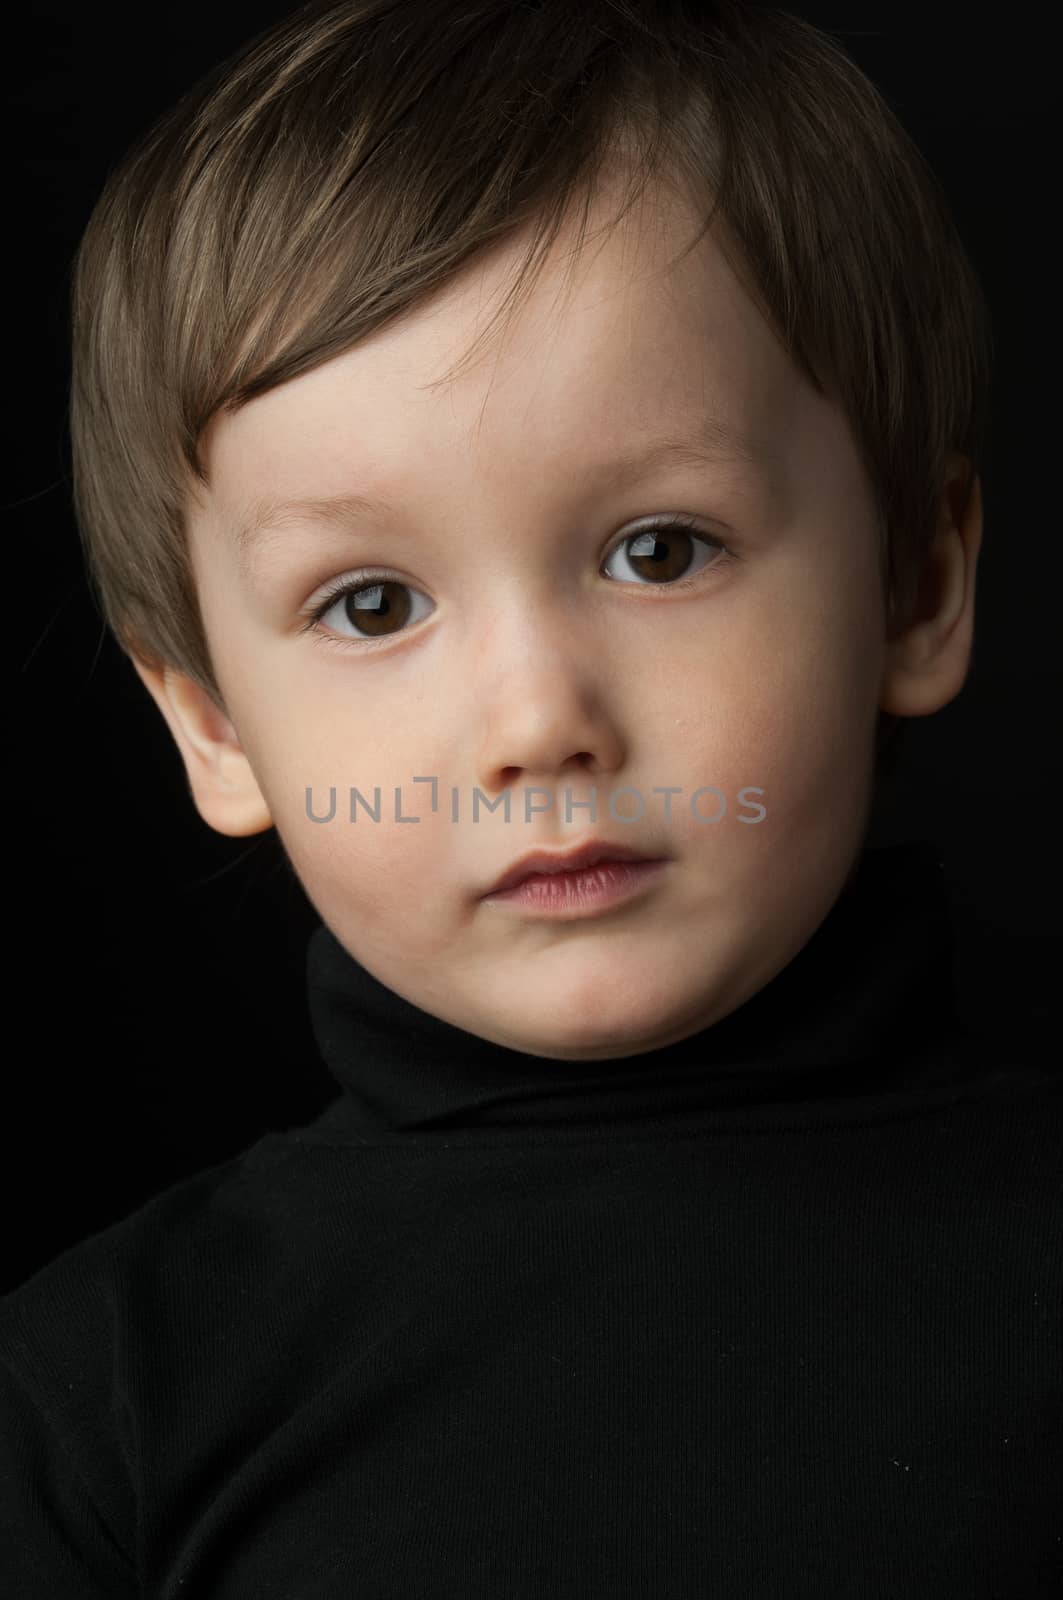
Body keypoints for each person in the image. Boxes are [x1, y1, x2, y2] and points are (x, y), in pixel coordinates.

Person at [3, 1, 1058, 1593]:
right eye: (370, 604)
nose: (536, 723)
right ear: (214, 724)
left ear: (915, 588)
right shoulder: (98, 1399)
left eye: (660, 551)